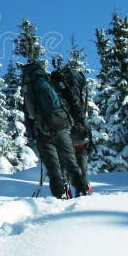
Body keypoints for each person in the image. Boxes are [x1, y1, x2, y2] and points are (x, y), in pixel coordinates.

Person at [21, 61, 87, 199]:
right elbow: (67, 99)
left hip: (44, 132)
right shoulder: (51, 81)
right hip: (63, 126)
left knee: (53, 169)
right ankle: (83, 190)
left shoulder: (28, 89)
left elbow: (29, 114)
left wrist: (32, 133)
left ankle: (60, 195)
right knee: (71, 163)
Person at [50, 67, 93, 196]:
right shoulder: (80, 90)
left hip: (64, 134)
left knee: (64, 165)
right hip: (81, 133)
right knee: (82, 167)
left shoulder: (58, 91)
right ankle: (84, 190)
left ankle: (65, 192)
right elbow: (83, 112)